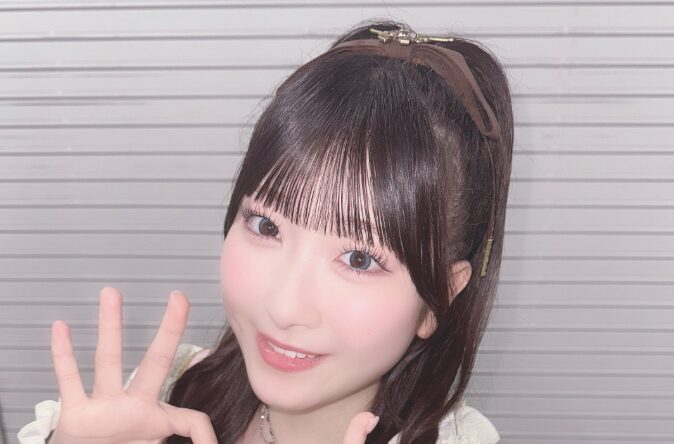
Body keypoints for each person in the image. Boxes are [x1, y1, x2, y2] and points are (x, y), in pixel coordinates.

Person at [18, 18, 513, 444]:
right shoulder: (173, 391)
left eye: (359, 258)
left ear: (438, 297)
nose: (283, 308)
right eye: (266, 225)